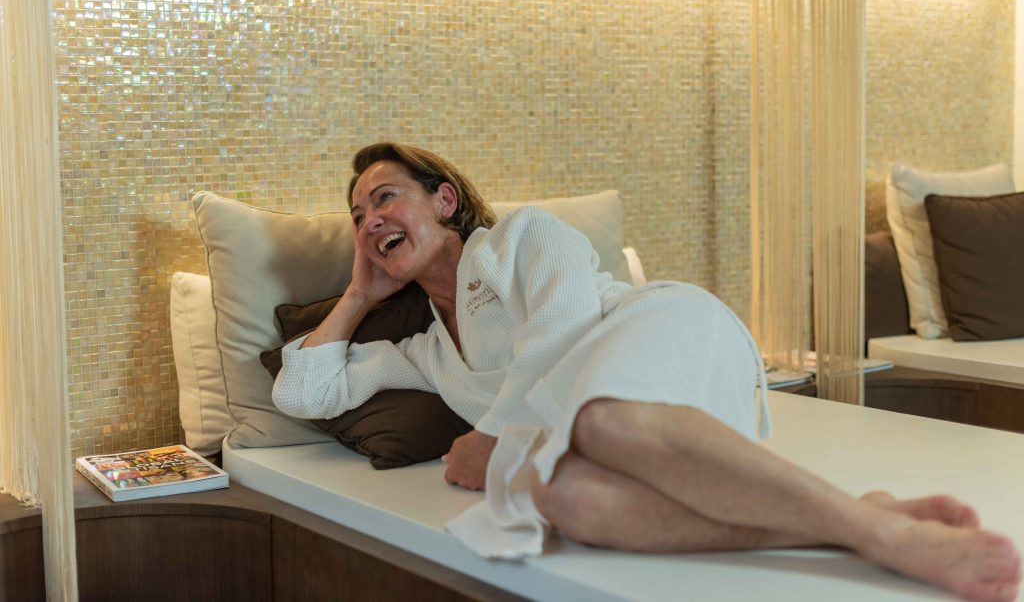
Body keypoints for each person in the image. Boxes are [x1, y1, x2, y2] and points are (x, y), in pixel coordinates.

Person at [273, 142, 1021, 602]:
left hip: (656, 329)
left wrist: (495, 437)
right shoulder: (427, 351)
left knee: (601, 419)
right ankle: (858, 520)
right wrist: (358, 296)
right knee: (567, 499)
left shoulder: (523, 236)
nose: (369, 221)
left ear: (445, 200)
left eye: (385, 198)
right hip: (594, 419)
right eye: (357, 217)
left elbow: (564, 327)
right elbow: (305, 392)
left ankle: (886, 537)